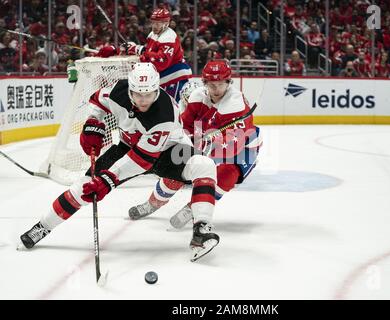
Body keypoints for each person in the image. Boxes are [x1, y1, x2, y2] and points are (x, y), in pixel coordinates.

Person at [19, 63, 219, 262]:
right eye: (138, 94)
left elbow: (141, 160)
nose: (143, 100)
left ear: (157, 89)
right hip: (127, 146)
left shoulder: (164, 114)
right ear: (130, 89)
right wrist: (93, 122)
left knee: (204, 165)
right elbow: (97, 100)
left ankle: (201, 231)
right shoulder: (118, 90)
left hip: (169, 152)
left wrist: (109, 180)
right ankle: (42, 226)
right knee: (84, 187)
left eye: (148, 94)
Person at [128, 60, 262, 229]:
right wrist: (190, 140)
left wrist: (212, 142)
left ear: (229, 82)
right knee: (178, 165)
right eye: (211, 84)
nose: (216, 89)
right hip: (207, 136)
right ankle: (152, 203)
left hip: (243, 145)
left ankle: (193, 208)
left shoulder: (235, 105)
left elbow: (234, 146)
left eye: (221, 84)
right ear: (204, 83)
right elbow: (184, 125)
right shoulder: (198, 96)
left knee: (225, 175)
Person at [97, 8, 192, 102]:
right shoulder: (153, 34)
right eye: (153, 22)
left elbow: (160, 62)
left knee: (172, 108)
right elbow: (148, 52)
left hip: (174, 77)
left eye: (158, 23)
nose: (154, 26)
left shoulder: (169, 37)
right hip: (165, 77)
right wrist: (119, 49)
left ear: (166, 23)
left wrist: (138, 50)